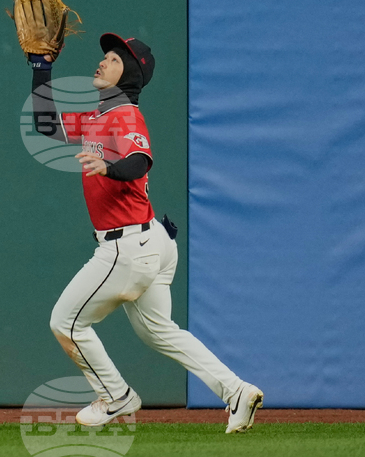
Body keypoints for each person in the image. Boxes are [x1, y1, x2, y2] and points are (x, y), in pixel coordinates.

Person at [28, 34, 263, 433]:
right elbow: (47, 125)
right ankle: (236, 390)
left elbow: (138, 162)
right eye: (103, 56)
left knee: (66, 323)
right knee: (160, 332)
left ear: (131, 73)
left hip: (127, 248)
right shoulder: (97, 115)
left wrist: (109, 168)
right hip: (151, 238)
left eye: (114, 59)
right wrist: (41, 67)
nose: (102, 62)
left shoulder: (125, 115)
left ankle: (116, 395)